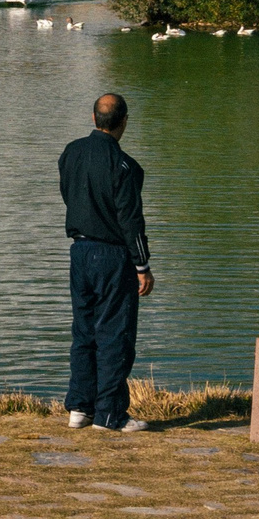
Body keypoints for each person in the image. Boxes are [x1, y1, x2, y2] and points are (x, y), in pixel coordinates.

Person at [57, 92, 154, 432]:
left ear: (93, 118)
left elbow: (68, 194)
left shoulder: (70, 153)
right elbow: (131, 220)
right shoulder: (126, 166)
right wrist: (142, 265)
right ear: (124, 122)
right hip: (112, 256)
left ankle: (79, 408)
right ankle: (110, 415)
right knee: (115, 334)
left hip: (79, 251)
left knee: (84, 331)